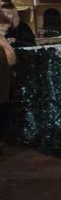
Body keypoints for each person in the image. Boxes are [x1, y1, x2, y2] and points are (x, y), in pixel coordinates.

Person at [0, 12, 16, 156]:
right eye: (3, 28)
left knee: (3, 114)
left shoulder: (3, 42)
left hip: (4, 86)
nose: (5, 31)